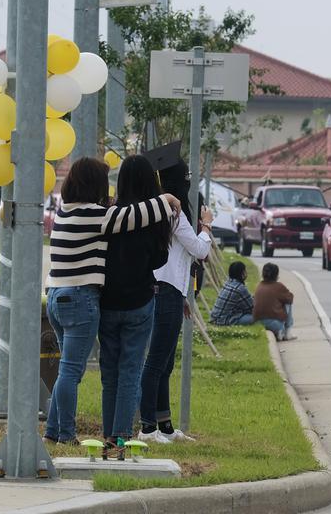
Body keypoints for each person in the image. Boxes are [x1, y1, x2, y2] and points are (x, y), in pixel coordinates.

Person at [44, 158, 178, 445]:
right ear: (95, 185)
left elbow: (126, 215)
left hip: (56, 295)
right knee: (77, 371)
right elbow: (133, 216)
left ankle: (53, 430)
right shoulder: (96, 215)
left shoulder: (64, 212)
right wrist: (165, 198)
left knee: (70, 370)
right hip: (82, 299)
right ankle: (75, 435)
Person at [98, 156, 171, 459]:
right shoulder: (156, 217)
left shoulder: (110, 215)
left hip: (108, 302)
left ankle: (107, 439)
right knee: (130, 370)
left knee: (109, 373)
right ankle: (120, 440)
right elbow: (159, 260)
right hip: (140, 301)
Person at [139, 157, 213, 444]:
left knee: (165, 363)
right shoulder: (174, 212)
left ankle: (164, 425)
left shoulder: (159, 210)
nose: (190, 180)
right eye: (188, 175)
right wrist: (206, 227)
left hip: (171, 291)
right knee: (156, 362)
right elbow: (198, 250)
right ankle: (147, 429)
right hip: (166, 291)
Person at [253, 263, 296, 341]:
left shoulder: (259, 285)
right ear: (276, 275)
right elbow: (290, 298)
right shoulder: (279, 286)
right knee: (288, 302)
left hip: (257, 322)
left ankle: (279, 333)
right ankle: (287, 333)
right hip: (275, 324)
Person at [210, 261, 254, 326]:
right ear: (242, 273)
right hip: (224, 321)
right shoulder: (240, 288)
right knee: (259, 318)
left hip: (215, 318)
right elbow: (252, 308)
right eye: (245, 271)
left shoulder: (228, 282)